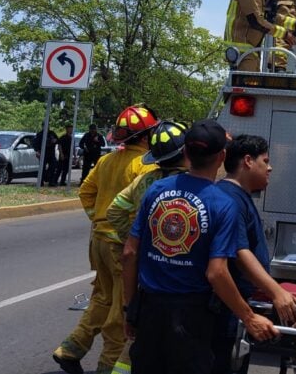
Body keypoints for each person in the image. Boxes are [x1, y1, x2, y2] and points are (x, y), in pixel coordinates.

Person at [122, 119, 277, 374]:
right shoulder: (221, 203)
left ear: (185, 153)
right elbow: (216, 273)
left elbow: (129, 253)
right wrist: (249, 317)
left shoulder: (156, 190)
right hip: (192, 317)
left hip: (149, 310)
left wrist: (131, 309)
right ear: (222, 157)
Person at [52, 106, 159, 374]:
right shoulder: (145, 166)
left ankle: (71, 349)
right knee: (122, 308)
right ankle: (108, 365)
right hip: (121, 245)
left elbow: (86, 191)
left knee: (101, 297)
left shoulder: (107, 160)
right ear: (147, 135)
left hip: (98, 241)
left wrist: (97, 218)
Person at [105, 120, 189, 374]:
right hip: (179, 273)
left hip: (144, 270)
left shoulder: (144, 181)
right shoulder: (190, 186)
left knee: (139, 334)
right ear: (185, 152)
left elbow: (114, 210)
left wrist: (131, 237)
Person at [212, 135, 296, 374]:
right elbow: (240, 253)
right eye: (266, 161)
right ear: (248, 161)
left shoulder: (239, 197)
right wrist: (276, 292)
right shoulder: (231, 199)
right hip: (223, 309)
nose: (270, 168)